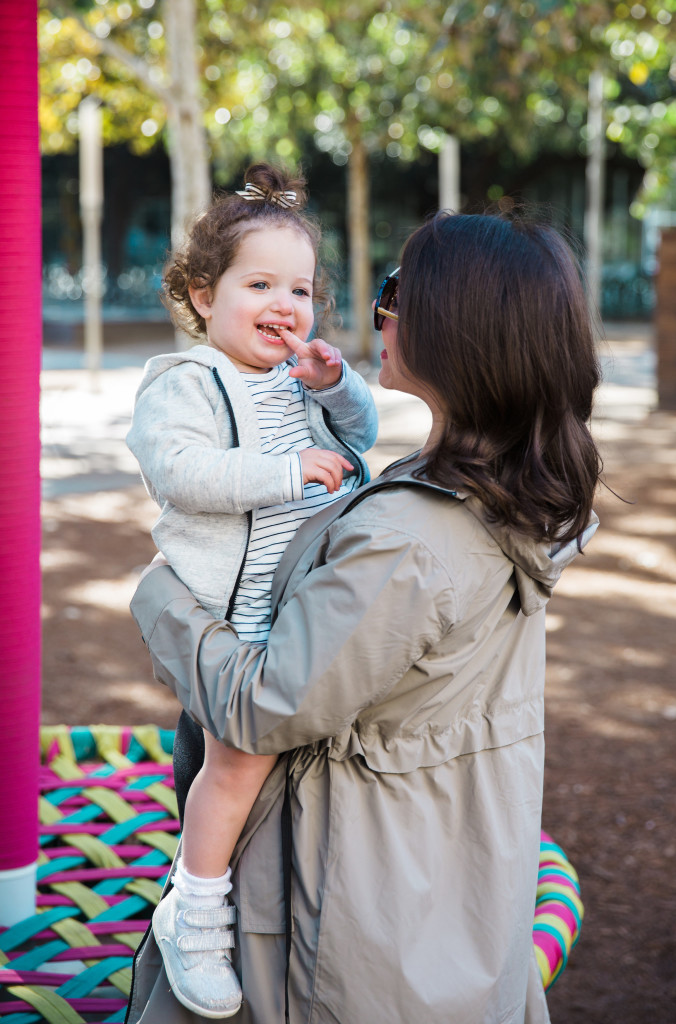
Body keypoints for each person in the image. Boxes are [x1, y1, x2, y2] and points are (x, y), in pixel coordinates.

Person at [126, 209, 602, 1024]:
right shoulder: (506, 491)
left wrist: (159, 591)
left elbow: (261, 705)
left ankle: (192, 910)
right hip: (443, 880)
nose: (379, 313)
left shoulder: (409, 539)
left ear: (456, 326)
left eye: (395, 292)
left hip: (337, 918)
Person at [126, 163, 378, 1019]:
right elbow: (181, 472)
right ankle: (192, 909)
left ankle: (248, 901)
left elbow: (364, 433)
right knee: (234, 763)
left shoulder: (294, 380)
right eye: (259, 283)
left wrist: (337, 389)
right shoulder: (185, 382)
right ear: (203, 295)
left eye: (300, 288)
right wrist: (282, 470)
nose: (285, 304)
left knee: (267, 774)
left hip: (294, 614)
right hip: (232, 626)